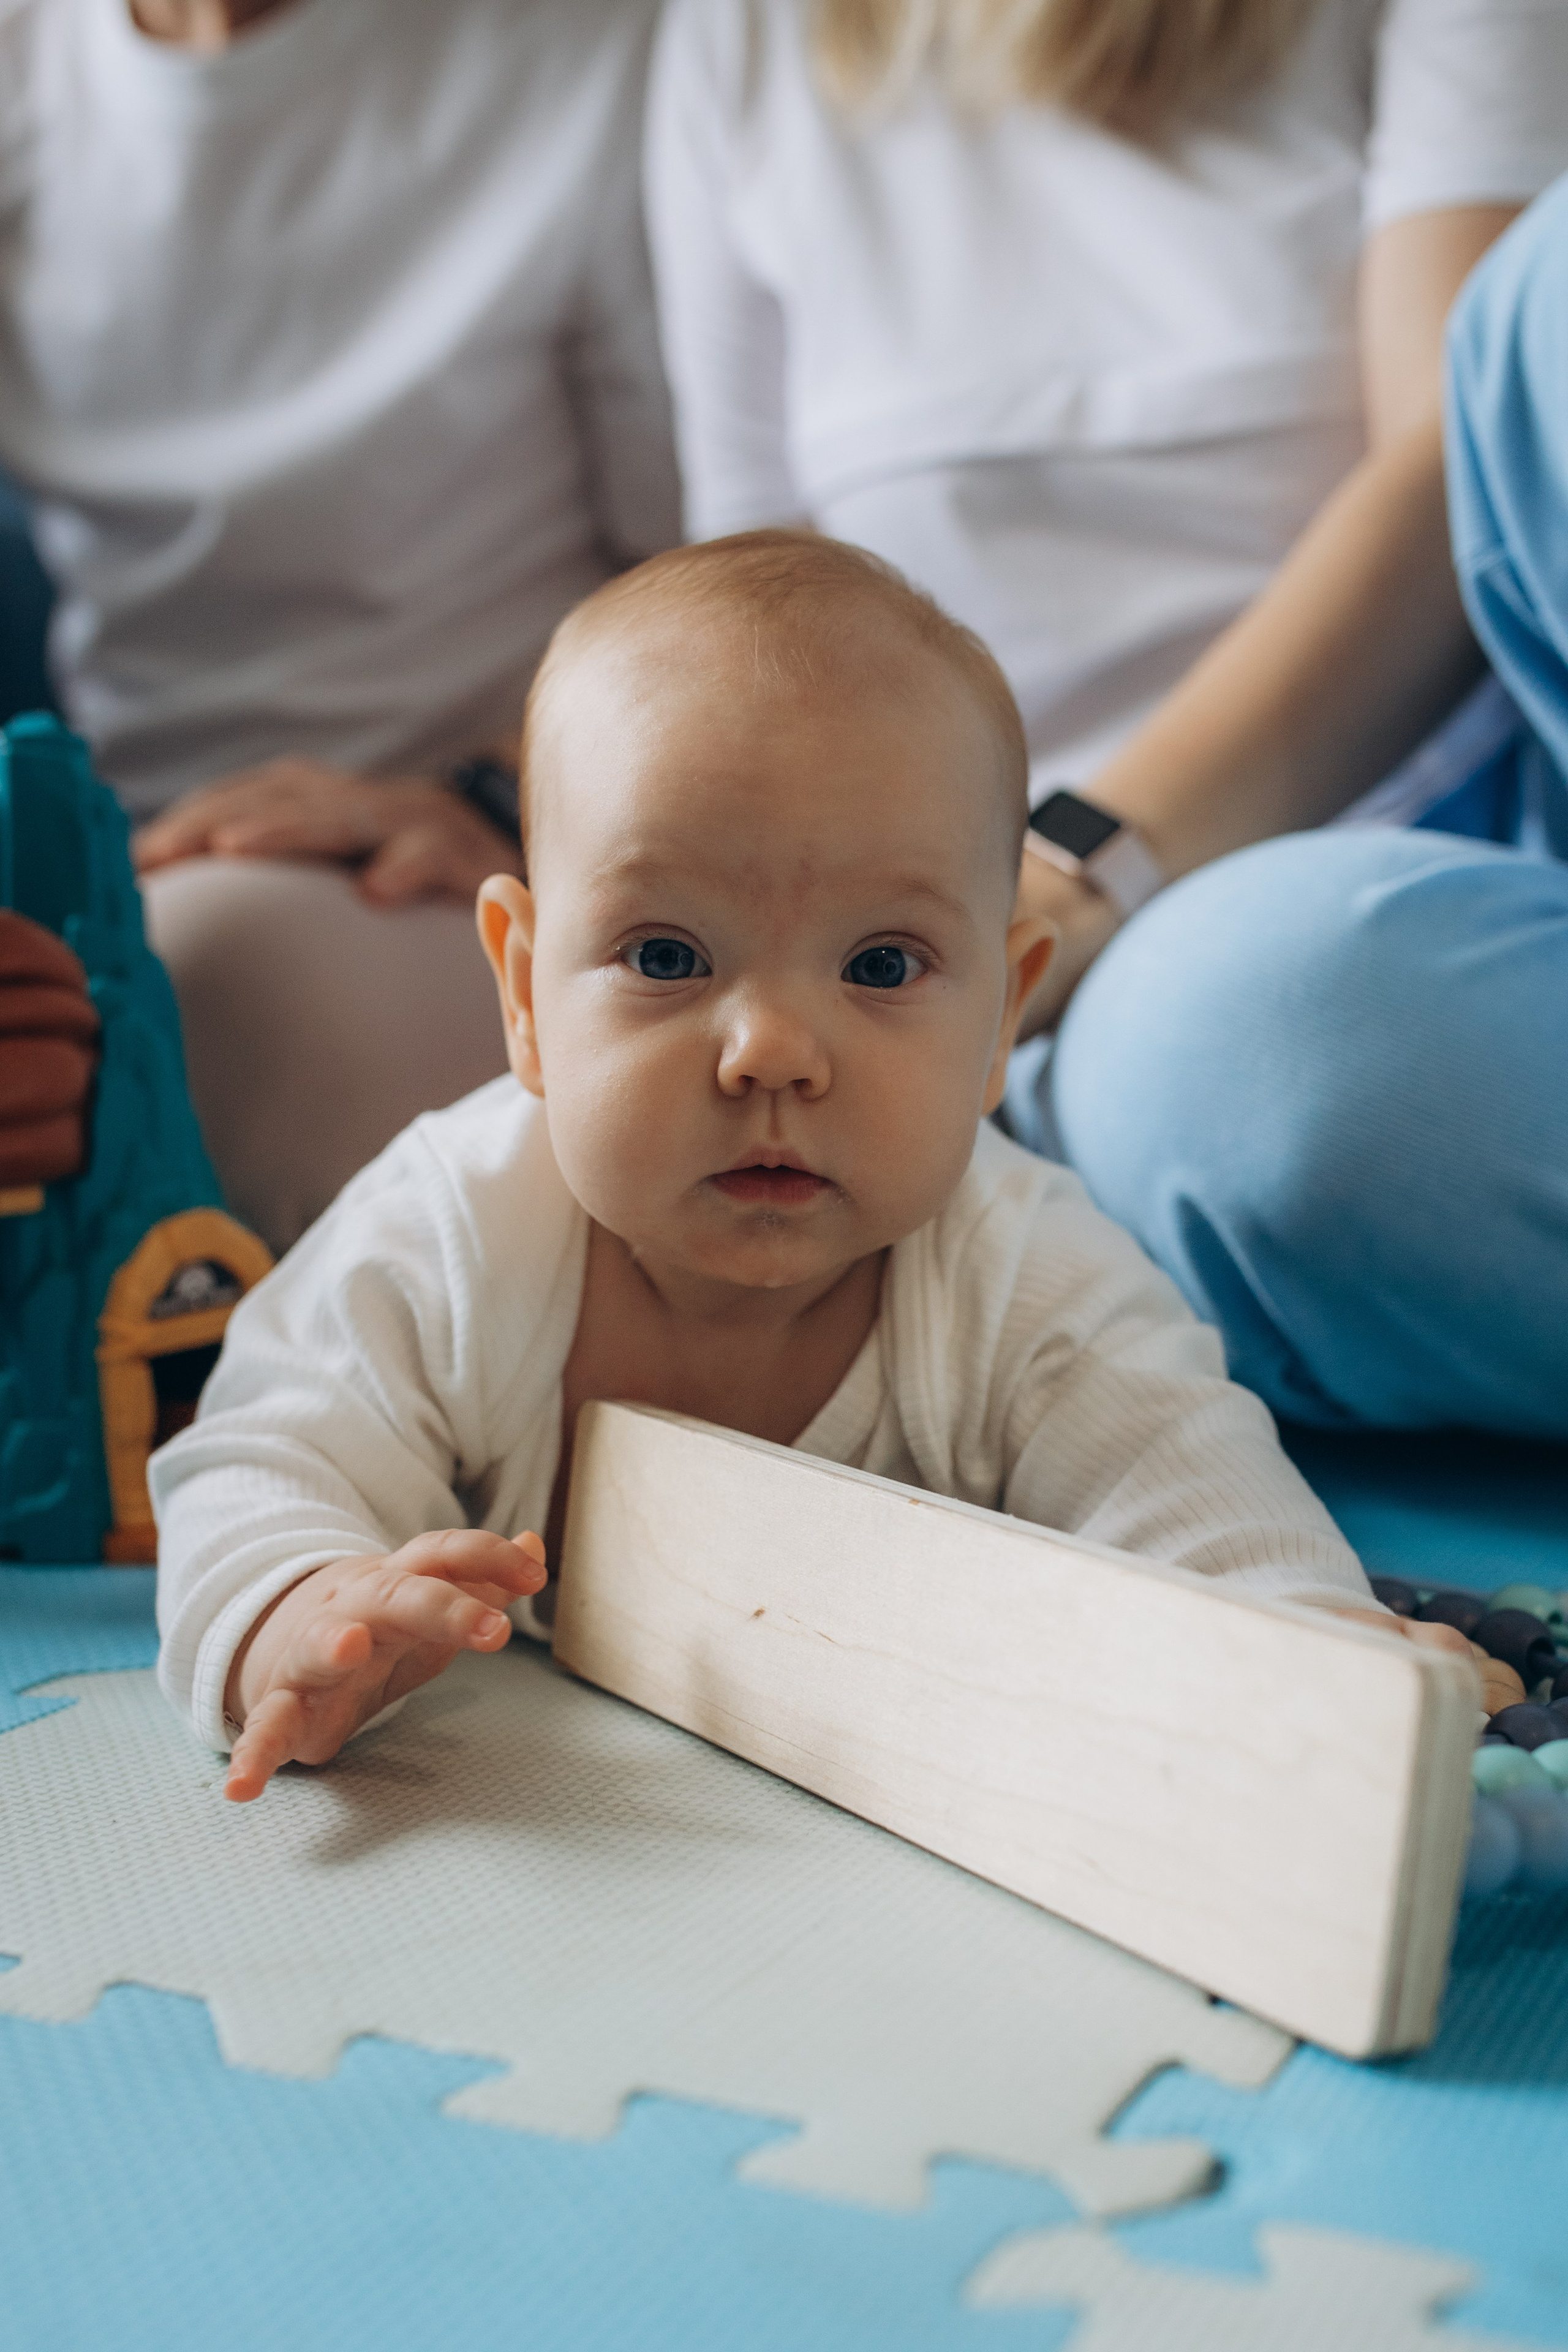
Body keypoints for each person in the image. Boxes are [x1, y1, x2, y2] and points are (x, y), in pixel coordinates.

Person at [149, 533, 1498, 1802]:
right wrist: (296, 1612)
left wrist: (1310, 1649)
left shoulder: (1022, 1274)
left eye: (882, 967)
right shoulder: (453, 1230)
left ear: (998, 1018)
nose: (774, 1054)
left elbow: (1189, 1490)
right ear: (522, 992)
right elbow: (266, 1455)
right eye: (668, 956)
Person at [644, 0, 1568, 1036]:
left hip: (1400, 833)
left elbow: (1467, 469)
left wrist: (1078, 872)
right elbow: (757, 619)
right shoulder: (740, 36)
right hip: (983, 940)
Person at [0, 0, 679, 1251]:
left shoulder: (598, 59)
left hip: (491, 857)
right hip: (135, 848)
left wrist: (500, 793)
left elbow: (722, 582)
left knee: (204, 992)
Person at [1042, 179, 1568, 1438]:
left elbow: (1449, 470)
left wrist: (1062, 876)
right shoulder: (738, 87)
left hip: (1328, 840)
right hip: (1182, 970)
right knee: (1235, 1045)